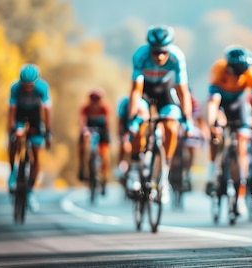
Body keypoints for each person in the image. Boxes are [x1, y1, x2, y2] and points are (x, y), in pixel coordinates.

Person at [127, 25, 195, 204]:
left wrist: (188, 119)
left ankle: (163, 176)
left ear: (169, 49)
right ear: (150, 49)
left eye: (163, 52)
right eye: (155, 52)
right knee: (139, 123)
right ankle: (134, 169)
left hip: (166, 94)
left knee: (172, 126)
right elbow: (135, 91)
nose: (159, 56)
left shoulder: (177, 57)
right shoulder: (140, 55)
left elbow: (182, 92)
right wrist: (132, 117)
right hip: (145, 92)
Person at [205, 46, 252, 213]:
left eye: (240, 74)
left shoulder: (251, 73)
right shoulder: (219, 68)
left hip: (239, 106)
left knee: (242, 143)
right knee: (215, 133)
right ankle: (212, 172)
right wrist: (212, 125)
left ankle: (240, 196)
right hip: (221, 104)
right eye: (234, 72)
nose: (237, 76)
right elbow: (213, 101)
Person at [7, 63, 52, 212]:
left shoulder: (42, 88)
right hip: (20, 115)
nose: (27, 88)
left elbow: (47, 111)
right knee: (14, 139)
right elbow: (12, 111)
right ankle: (13, 171)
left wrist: (48, 130)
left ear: (36, 82)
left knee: (36, 152)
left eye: (30, 86)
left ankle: (31, 190)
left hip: (35, 117)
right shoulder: (15, 88)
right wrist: (12, 130)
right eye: (24, 85)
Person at [77, 88, 111, 195]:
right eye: (93, 100)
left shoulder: (104, 109)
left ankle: (104, 178)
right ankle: (82, 167)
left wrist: (105, 132)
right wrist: (85, 130)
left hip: (102, 130)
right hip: (89, 130)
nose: (95, 103)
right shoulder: (85, 108)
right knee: (81, 144)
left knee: (105, 154)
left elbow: (107, 123)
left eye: (97, 100)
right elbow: (82, 121)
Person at [116, 95, 151, 192]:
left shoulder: (144, 107)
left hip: (140, 132)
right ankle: (122, 170)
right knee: (125, 148)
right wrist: (123, 138)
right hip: (128, 130)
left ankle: (143, 168)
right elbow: (120, 123)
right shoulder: (124, 104)